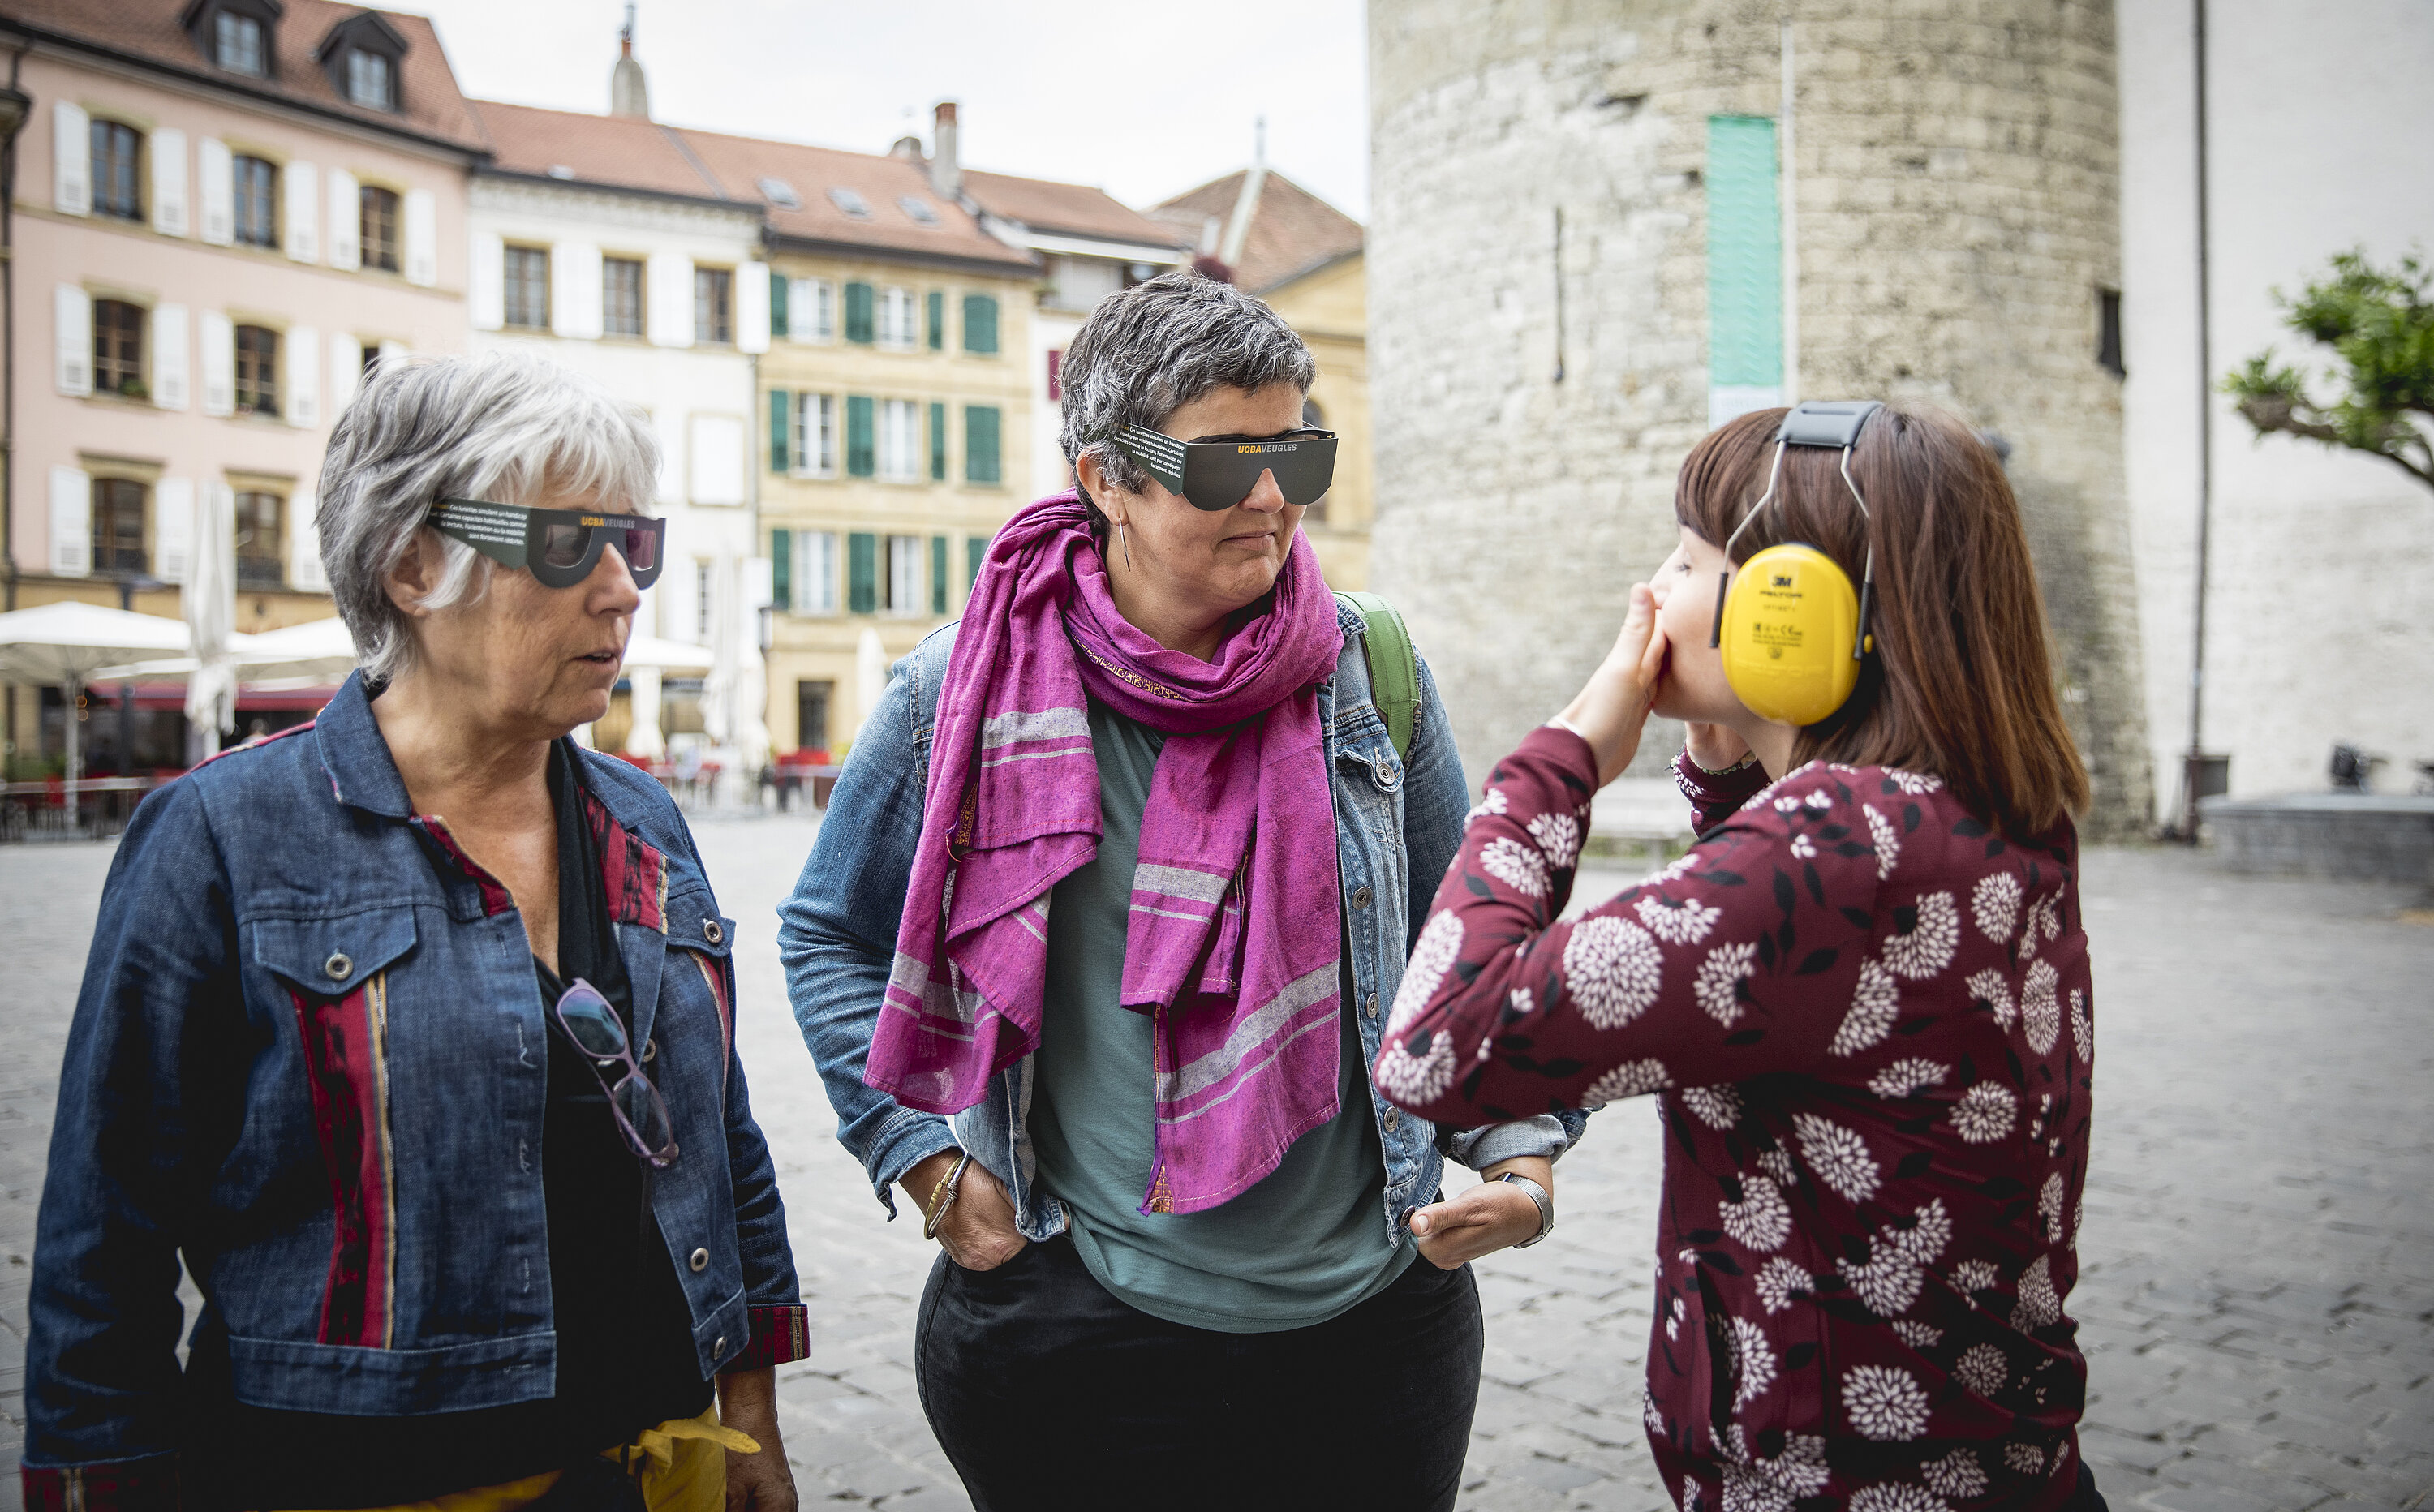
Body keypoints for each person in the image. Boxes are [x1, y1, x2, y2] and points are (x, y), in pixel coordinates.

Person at [779, 272, 1586, 1511]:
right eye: (1223, 465)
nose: (1270, 499)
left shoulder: (1372, 670)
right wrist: (928, 1170)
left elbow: (1458, 946)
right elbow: (828, 932)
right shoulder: (967, 688)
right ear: (1107, 475)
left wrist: (1521, 1163)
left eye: (1296, 452)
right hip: (1075, 1327)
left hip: (1378, 1336)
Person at [23, 352, 806, 1512]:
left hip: (649, 1467)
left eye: (631, 542)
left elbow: (715, 1137)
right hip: (342, 1479)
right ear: (412, 561)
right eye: (564, 544)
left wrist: (750, 1414)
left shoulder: (639, 819)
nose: (622, 588)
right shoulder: (225, 838)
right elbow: (106, 1240)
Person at [1375, 402, 2109, 1511]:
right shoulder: (1970, 810)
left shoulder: (1833, 851)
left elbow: (1439, 1049)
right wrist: (1731, 778)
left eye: (1684, 559)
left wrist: (1560, 760)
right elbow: (1785, 994)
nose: (1655, 592)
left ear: (1798, 607)